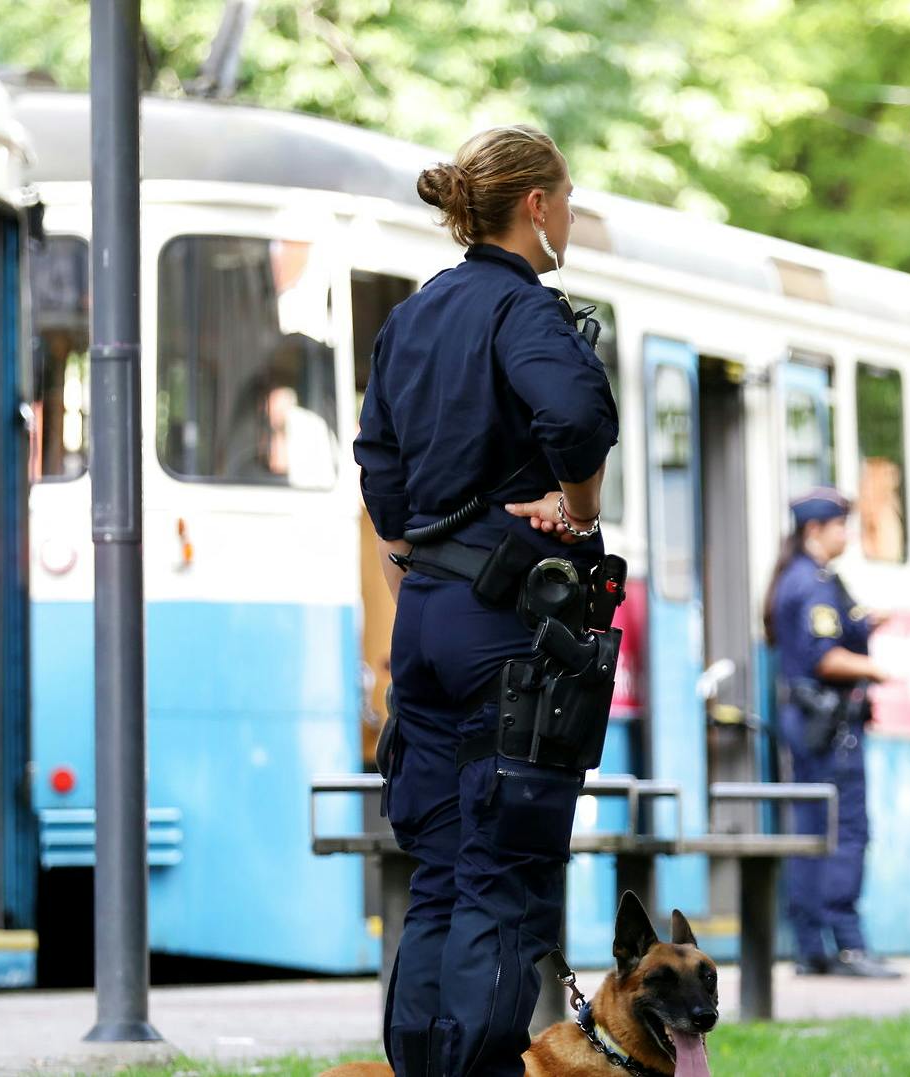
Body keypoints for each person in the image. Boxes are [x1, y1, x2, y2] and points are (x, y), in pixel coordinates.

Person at [353, 124, 619, 1077]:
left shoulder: (414, 315)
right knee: (502, 879)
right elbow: (578, 417)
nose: (573, 216)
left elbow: (377, 457)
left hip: (422, 617)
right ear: (536, 206)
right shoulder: (527, 311)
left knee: (438, 879)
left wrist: (408, 550)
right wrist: (576, 510)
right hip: (506, 625)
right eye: (570, 198)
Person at [763, 488, 902, 979]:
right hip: (830, 728)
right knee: (844, 830)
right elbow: (825, 656)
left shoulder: (808, 580)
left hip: (811, 725)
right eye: (840, 525)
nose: (847, 533)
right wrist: (877, 669)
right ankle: (847, 946)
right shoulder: (812, 583)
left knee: (811, 830)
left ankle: (811, 947)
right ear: (815, 530)